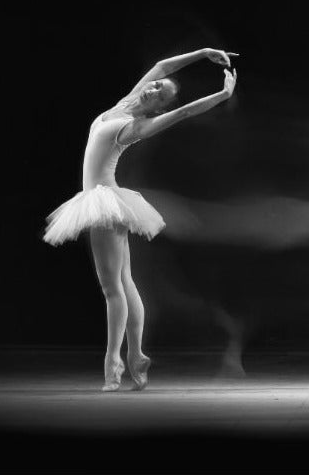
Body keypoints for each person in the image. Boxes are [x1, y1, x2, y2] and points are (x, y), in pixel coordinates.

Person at [44, 48, 238, 391]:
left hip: (104, 202)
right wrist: (206, 52)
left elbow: (186, 111)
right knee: (125, 282)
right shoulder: (125, 103)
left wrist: (222, 94)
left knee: (111, 289)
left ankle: (113, 365)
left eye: (158, 93)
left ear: (156, 108)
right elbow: (162, 66)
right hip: (104, 202)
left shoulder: (137, 125)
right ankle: (136, 356)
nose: (151, 89)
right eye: (154, 86)